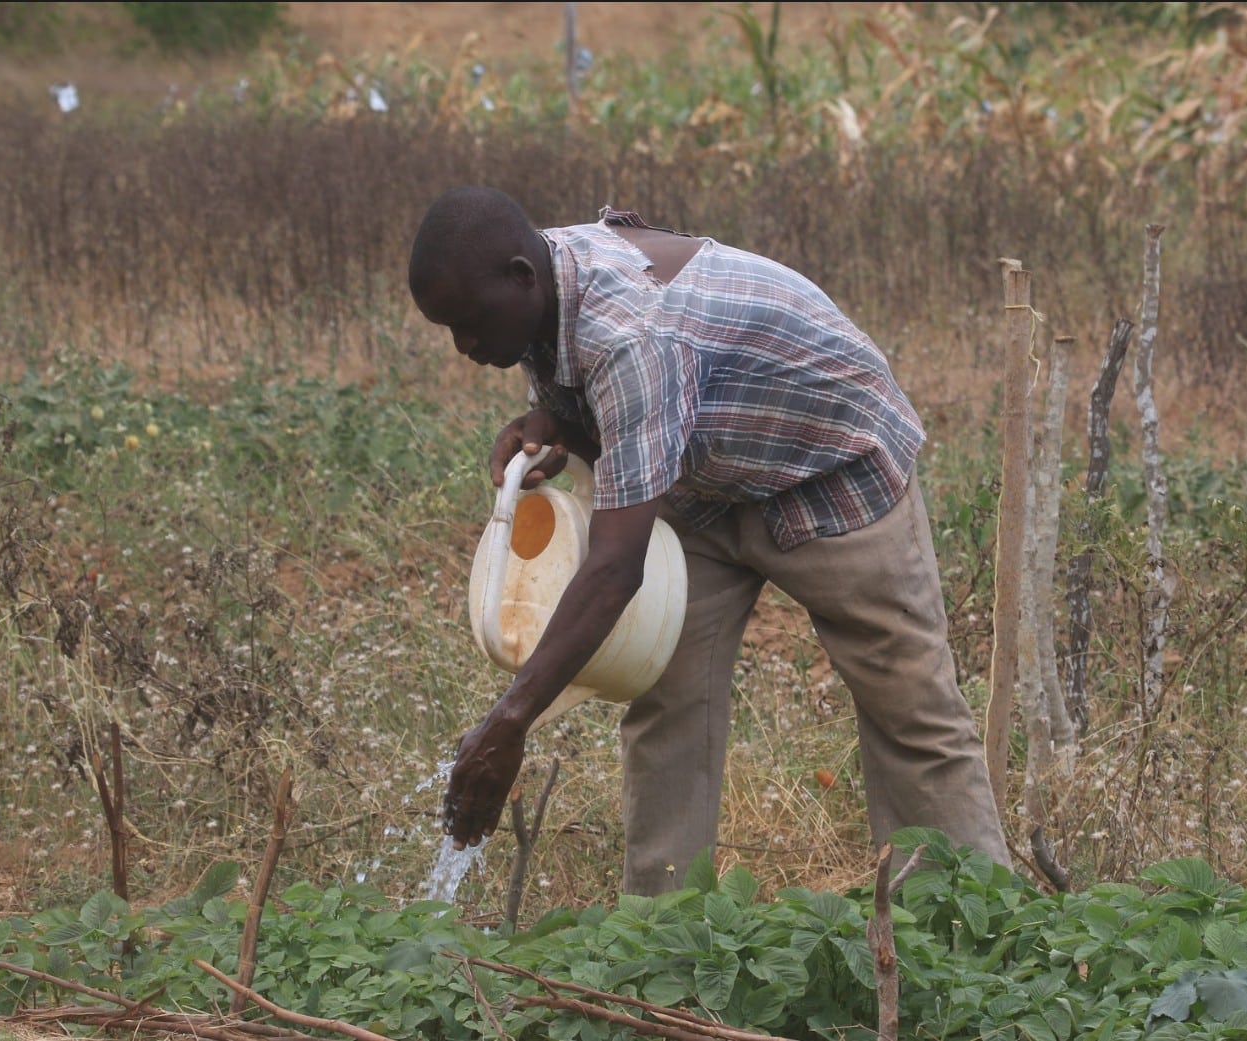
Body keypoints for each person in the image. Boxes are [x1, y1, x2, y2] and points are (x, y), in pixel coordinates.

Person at [408, 185, 1011, 895]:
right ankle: (663, 930)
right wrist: (560, 426)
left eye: (471, 324)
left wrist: (510, 720)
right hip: (705, 483)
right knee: (664, 693)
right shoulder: (544, 285)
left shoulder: (630, 333)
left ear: (520, 277)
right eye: (450, 329)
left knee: (910, 709)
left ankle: (968, 923)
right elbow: (639, 416)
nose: (465, 346)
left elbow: (614, 568)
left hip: (832, 469)